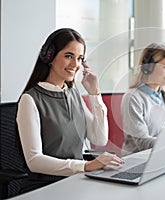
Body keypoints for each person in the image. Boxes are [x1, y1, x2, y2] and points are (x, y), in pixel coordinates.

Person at [16, 28, 124, 192]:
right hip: (46, 186)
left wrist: (95, 94)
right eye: (68, 56)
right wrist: (86, 166)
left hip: (77, 180)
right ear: (50, 57)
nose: (75, 65)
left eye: (80, 58)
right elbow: (34, 160)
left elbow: (100, 138)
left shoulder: (73, 94)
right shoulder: (30, 100)